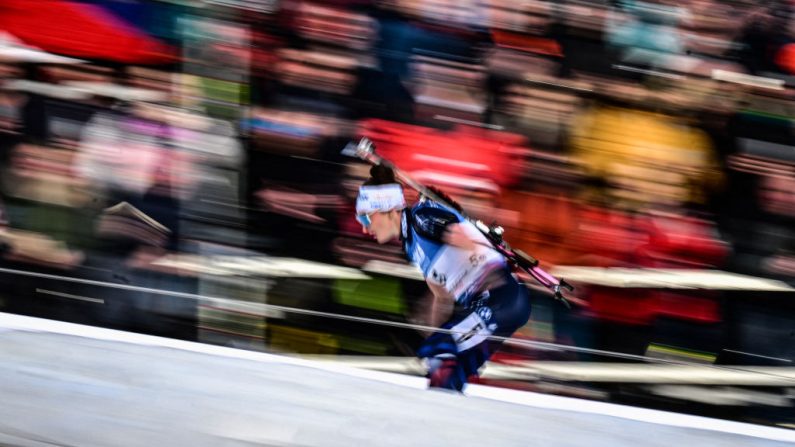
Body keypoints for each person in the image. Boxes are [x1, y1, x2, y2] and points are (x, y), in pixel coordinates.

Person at [355, 164, 532, 392]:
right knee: (447, 374)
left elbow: (462, 236)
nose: (364, 228)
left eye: (366, 219)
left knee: (439, 351)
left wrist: (478, 245)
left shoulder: (422, 218)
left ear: (389, 209)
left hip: (500, 298)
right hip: (491, 304)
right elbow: (442, 295)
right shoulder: (412, 246)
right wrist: (433, 329)